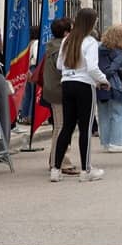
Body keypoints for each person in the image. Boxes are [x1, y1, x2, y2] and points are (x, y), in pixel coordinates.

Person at [53, 8, 109, 182]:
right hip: (84, 84)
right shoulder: (90, 42)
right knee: (85, 128)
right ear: (90, 23)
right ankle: (86, 170)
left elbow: (59, 65)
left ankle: (56, 169)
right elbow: (92, 67)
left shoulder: (67, 40)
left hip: (67, 83)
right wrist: (103, 80)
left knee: (67, 127)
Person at [43, 18, 79, 175]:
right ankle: (61, 161)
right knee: (62, 127)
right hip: (59, 90)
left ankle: (55, 158)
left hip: (54, 89)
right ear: (66, 33)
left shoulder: (52, 45)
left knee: (60, 126)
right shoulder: (61, 48)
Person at [96, 23, 122, 153]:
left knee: (103, 114)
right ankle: (116, 142)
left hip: (99, 83)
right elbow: (114, 68)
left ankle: (106, 142)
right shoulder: (120, 51)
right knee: (119, 113)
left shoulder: (99, 48)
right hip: (114, 84)